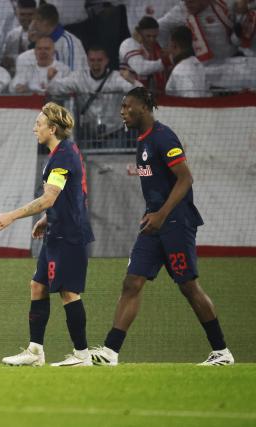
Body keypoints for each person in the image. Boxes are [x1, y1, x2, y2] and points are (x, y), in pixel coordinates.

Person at [90, 87, 234, 366]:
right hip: (154, 225)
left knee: (188, 286)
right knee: (132, 281)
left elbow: (185, 179)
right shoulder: (142, 141)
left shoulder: (163, 137)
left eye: (126, 106)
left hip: (177, 223)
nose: (122, 112)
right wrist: (153, 216)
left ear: (144, 107)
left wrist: (162, 214)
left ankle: (222, 352)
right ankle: (110, 351)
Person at [0, 102, 94, 367]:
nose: (34, 128)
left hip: (70, 235)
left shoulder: (62, 156)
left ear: (53, 128)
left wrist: (11, 216)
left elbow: (49, 198)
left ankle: (82, 355)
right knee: (38, 286)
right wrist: (47, 219)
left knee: (68, 293)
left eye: (39, 124)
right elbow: (72, 194)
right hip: (57, 231)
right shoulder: (62, 152)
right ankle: (35, 351)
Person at [47, 46, 140, 145]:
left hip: (114, 133)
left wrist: (132, 81)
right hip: (88, 135)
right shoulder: (79, 77)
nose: (96, 63)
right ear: (87, 60)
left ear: (106, 61)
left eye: (99, 60)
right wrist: (51, 78)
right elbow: (54, 89)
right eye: (92, 60)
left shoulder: (116, 78)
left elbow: (139, 94)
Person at [18, 3, 88, 72]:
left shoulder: (69, 44)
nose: (33, 24)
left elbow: (73, 77)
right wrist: (32, 44)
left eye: (37, 20)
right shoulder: (39, 40)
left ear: (47, 23)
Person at [119, 16, 169, 93]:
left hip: (151, 95)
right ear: (140, 32)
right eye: (148, 36)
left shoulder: (157, 48)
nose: (152, 39)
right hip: (130, 95)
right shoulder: (129, 43)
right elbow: (140, 68)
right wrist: (164, 62)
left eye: (155, 36)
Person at [165, 26, 210, 97]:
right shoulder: (198, 63)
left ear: (174, 45)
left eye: (168, 45)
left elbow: (192, 101)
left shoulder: (180, 70)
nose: (167, 49)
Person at [0, 0, 37, 74]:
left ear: (36, 14)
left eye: (30, 14)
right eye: (22, 14)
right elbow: (4, 60)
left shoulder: (43, 35)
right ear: (17, 14)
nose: (26, 18)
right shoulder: (12, 35)